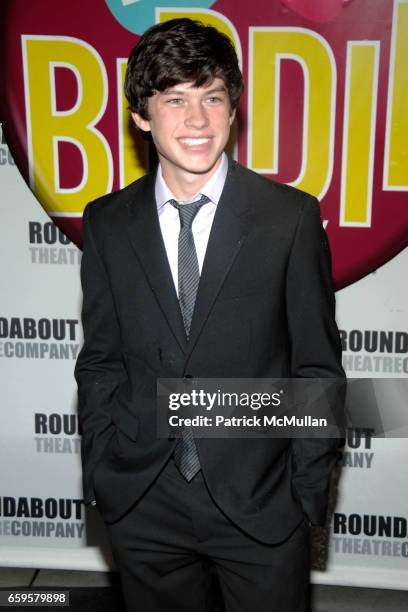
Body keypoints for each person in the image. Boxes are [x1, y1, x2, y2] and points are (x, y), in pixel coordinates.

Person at [75, 17, 345, 612]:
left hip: (260, 500)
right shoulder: (107, 223)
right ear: (141, 116)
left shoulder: (288, 219)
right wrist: (104, 468)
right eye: (175, 100)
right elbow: (100, 361)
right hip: (144, 498)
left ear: (232, 108)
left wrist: (303, 495)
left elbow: (317, 370)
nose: (197, 121)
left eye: (212, 98)